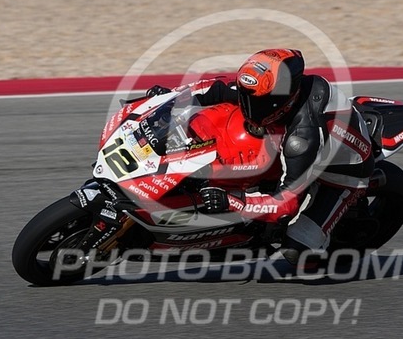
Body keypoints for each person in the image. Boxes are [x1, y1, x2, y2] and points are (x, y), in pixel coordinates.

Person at [146, 49, 374, 266]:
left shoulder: (301, 139)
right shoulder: (268, 94)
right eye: (244, 94)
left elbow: (285, 204)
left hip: (340, 173)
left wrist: (231, 201)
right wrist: (172, 96)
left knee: (298, 250)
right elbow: (215, 89)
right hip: (314, 143)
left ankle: (321, 239)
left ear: (279, 100)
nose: (245, 103)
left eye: (255, 101)